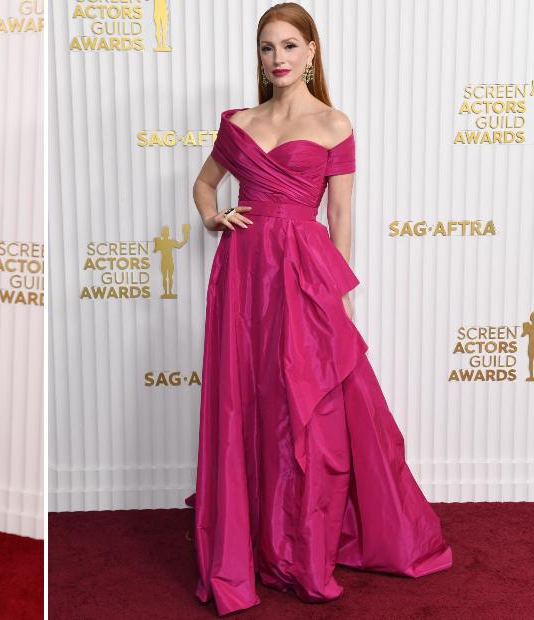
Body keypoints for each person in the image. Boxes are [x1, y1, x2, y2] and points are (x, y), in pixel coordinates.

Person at [188, 2, 452, 615]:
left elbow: (340, 217)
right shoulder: (239, 123)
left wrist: (341, 298)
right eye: (266, 48)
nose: (276, 58)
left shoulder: (335, 124)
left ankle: (302, 547)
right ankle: (250, 542)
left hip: (303, 276)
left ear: (311, 51)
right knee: (246, 401)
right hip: (243, 274)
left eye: (287, 46)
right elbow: (205, 184)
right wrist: (212, 216)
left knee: (311, 412)